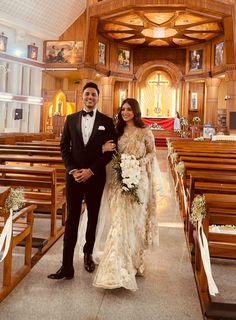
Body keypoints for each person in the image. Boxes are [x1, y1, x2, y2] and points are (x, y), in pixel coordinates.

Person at [47, 82, 117, 280]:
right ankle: (66, 266)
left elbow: (111, 151)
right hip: (74, 177)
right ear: (82, 96)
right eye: (87, 94)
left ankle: (88, 254)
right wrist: (71, 170)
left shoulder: (107, 121)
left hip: (95, 177)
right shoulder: (70, 119)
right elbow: (64, 148)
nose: (90, 97)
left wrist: (92, 170)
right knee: (72, 219)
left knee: (93, 217)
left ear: (98, 97)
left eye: (93, 95)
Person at [91, 98, 160, 291]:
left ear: (135, 111)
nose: (125, 112)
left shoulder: (146, 131)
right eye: (122, 109)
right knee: (119, 221)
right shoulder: (116, 130)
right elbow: (110, 152)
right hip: (117, 181)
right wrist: (116, 161)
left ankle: (134, 261)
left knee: (135, 223)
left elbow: (152, 153)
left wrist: (137, 164)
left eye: (129, 109)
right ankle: (115, 266)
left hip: (139, 181)